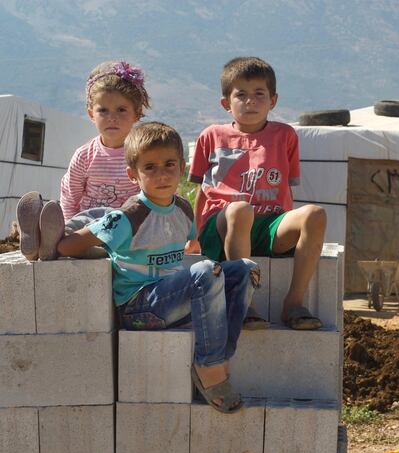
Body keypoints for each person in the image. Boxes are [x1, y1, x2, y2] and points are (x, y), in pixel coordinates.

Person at [57, 122, 257, 413]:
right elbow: (67, 247)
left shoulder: (184, 209)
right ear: (133, 175)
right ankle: (209, 367)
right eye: (149, 167)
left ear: (182, 167)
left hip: (171, 302)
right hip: (139, 308)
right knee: (206, 271)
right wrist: (94, 247)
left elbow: (188, 244)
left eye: (169, 164)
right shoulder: (128, 216)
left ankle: (222, 356)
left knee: (245, 269)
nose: (161, 174)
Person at [189, 56, 326, 330]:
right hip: (223, 226)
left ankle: (294, 303)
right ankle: (244, 303)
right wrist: (194, 237)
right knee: (240, 209)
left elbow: (285, 187)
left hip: (267, 225)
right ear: (226, 103)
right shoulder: (211, 136)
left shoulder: (285, 136)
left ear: (272, 100)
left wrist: (289, 228)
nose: (250, 101)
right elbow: (202, 192)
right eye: (241, 94)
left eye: (259, 94)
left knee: (315, 214)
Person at [16, 60, 151, 261]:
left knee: (112, 240)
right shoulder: (84, 154)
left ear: (137, 113)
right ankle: (42, 239)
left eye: (121, 110)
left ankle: (51, 246)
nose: (112, 117)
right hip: (86, 222)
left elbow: (155, 189)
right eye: (103, 110)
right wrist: (68, 221)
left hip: (124, 224)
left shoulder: (143, 153)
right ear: (91, 114)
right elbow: (71, 194)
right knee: (71, 231)